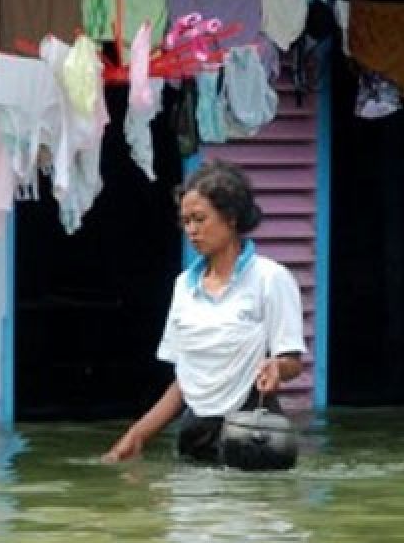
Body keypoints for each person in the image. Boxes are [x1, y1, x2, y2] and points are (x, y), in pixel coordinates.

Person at [103, 159, 306, 465]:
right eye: (185, 221)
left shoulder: (270, 279)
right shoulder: (184, 286)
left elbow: (293, 362)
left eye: (199, 219)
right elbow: (184, 382)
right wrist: (136, 436)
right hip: (195, 436)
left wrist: (276, 368)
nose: (192, 230)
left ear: (231, 217)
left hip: (252, 436)